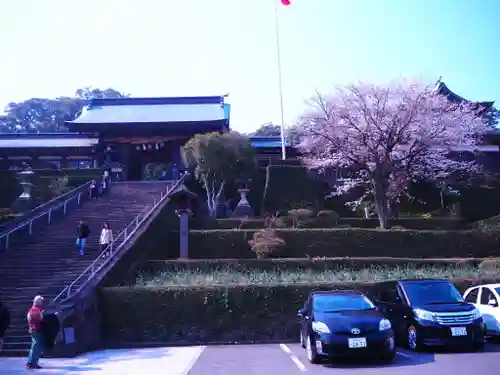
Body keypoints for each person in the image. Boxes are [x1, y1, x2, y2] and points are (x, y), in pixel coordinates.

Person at [26, 295, 44, 369]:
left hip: (34, 330)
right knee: (36, 347)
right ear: (38, 302)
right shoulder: (35, 310)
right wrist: (42, 315)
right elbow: (38, 320)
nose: (42, 303)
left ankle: (31, 362)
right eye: (41, 301)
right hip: (36, 330)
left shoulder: (33, 309)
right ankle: (32, 363)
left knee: (34, 347)